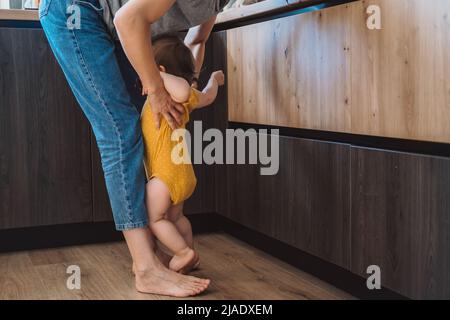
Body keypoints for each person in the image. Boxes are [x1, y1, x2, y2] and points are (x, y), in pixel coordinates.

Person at [39, 0, 228, 297]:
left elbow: (197, 39)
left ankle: (151, 255)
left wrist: (187, 86)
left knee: (143, 124)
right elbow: (128, 19)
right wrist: (155, 87)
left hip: (117, 24)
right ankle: (146, 268)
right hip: (75, 10)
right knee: (120, 130)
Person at [140, 35, 224, 274]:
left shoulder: (173, 94)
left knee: (154, 218)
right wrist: (215, 80)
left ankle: (183, 252)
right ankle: (190, 255)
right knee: (176, 218)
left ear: (160, 70)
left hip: (165, 176)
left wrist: (157, 76)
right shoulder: (183, 99)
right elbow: (207, 95)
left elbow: (184, 89)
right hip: (181, 174)